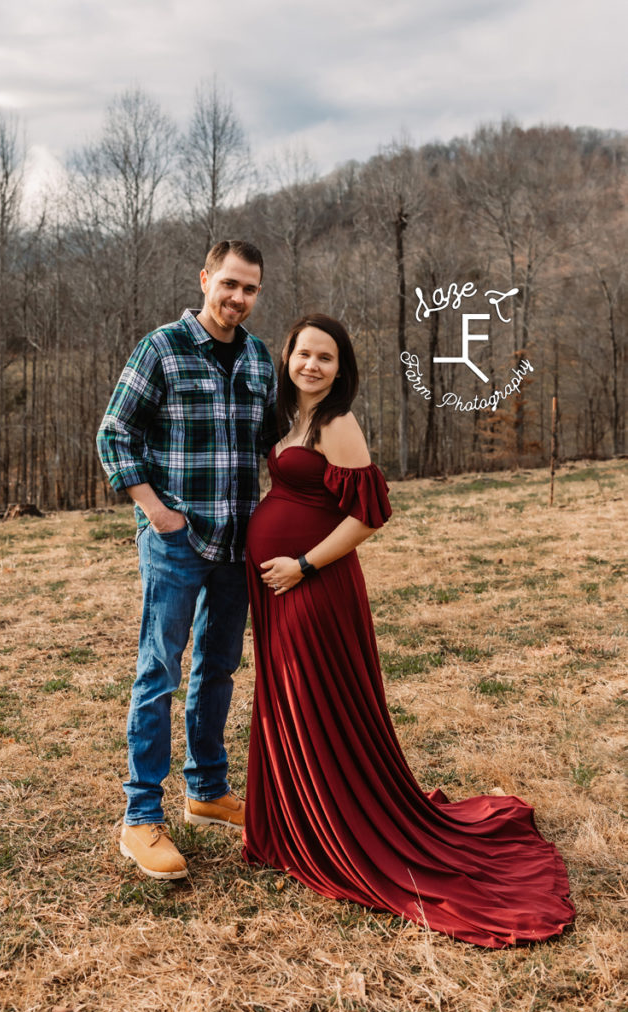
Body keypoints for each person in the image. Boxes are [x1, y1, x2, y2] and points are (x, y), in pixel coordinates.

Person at [241, 312, 576, 948]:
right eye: (304, 354)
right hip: (278, 588)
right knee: (289, 701)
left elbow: (370, 514)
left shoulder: (337, 424)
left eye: (326, 358)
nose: (313, 365)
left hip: (313, 585)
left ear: (342, 370)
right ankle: (298, 822)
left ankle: (339, 825)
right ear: (287, 357)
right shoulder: (291, 419)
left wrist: (305, 563)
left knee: (318, 702)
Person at [97, 240, 278, 880]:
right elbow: (113, 433)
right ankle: (141, 818)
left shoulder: (259, 359)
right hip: (176, 540)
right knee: (159, 673)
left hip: (237, 544)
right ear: (205, 278)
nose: (238, 297)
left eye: (250, 289)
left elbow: (275, 443)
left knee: (219, 668)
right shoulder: (162, 349)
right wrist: (156, 510)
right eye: (229, 283)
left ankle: (205, 790)